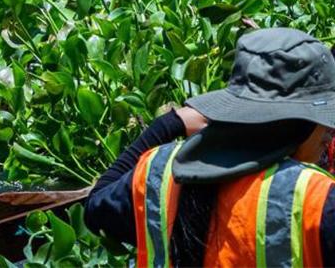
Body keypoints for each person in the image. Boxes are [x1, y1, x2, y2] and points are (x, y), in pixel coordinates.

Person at [85, 27, 335, 264]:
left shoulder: (157, 172)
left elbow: (95, 206)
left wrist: (170, 124)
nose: (330, 129)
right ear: (297, 122)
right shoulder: (317, 200)